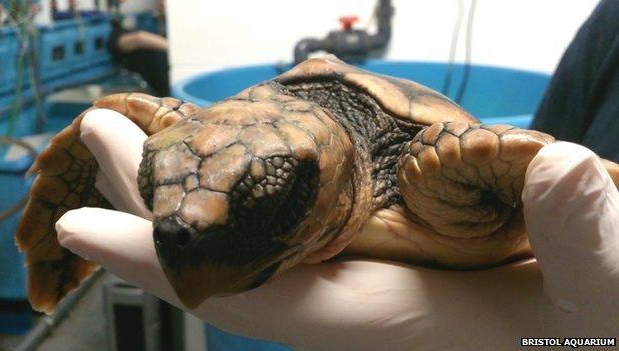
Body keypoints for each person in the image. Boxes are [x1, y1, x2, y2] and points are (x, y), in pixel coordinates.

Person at [54, 1, 619, 349]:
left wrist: (581, 342)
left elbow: (555, 174)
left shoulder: (436, 168)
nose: (182, 230)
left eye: (269, 195)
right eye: (159, 187)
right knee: (104, 123)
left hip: (566, 325)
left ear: (327, 176)